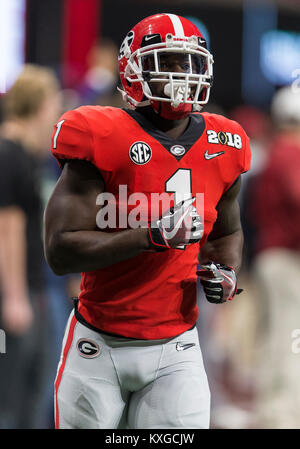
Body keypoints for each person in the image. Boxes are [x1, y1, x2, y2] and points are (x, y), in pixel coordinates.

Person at [44, 13, 251, 429]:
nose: (182, 74)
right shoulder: (99, 132)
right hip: (99, 342)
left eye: (189, 63)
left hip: (177, 345)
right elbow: (61, 251)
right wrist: (151, 235)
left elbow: (227, 231)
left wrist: (225, 270)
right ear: (133, 67)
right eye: (169, 62)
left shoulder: (224, 142)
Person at [0, 64, 61, 428]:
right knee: (13, 392)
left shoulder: (24, 157)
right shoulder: (9, 156)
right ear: (39, 105)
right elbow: (6, 230)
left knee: (31, 390)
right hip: (15, 295)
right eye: (53, 103)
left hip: (29, 289)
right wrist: (15, 296)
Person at [250, 85, 300, 428]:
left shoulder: (273, 151)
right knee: (290, 335)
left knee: (275, 334)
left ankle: (270, 407)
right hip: (284, 259)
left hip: (270, 256)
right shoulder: (289, 152)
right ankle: (282, 413)